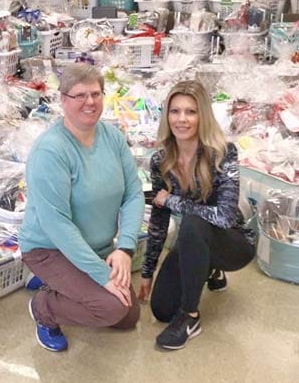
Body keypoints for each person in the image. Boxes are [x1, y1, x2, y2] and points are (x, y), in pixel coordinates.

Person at [19, 63, 143, 352]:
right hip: (49, 248)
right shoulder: (50, 151)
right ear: (63, 100)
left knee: (128, 317)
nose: (90, 102)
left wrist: (124, 249)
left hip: (96, 246)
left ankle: (61, 285)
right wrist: (102, 277)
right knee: (111, 308)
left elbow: (134, 193)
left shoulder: (111, 137)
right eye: (80, 95)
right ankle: (44, 307)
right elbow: (57, 226)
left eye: (96, 94)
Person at [137, 80, 255, 351]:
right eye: (175, 111)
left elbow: (225, 217)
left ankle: (190, 317)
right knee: (162, 310)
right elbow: (158, 219)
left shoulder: (223, 153)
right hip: (193, 241)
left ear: (203, 115)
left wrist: (174, 201)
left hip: (234, 243)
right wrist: (147, 271)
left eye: (190, 112)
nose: (182, 119)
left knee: (192, 222)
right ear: (166, 115)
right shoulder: (161, 160)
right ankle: (205, 268)